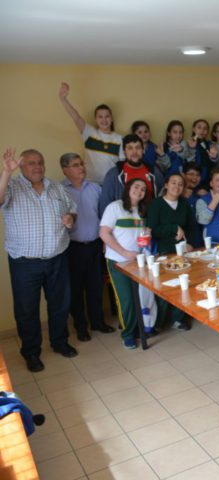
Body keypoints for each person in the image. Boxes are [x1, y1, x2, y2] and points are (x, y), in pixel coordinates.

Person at [1, 148, 78, 372]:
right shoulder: (12, 186)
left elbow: (72, 210)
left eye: (40, 162)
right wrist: (5, 173)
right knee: (27, 310)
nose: (37, 167)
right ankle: (31, 352)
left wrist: (70, 219)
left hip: (58, 257)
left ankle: (60, 342)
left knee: (60, 304)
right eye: (31, 163)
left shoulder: (56, 186)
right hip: (25, 262)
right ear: (21, 166)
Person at [60, 153, 114, 341]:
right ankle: (81, 327)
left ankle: (98, 322)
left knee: (95, 287)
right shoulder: (59, 190)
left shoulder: (95, 188)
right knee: (75, 290)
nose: (81, 167)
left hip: (94, 246)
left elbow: (103, 216)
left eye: (81, 164)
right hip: (72, 248)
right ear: (65, 170)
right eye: (75, 165)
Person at [99, 178, 155, 349]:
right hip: (118, 261)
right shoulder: (114, 207)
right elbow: (104, 233)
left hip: (137, 262)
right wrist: (123, 252)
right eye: (136, 186)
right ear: (128, 188)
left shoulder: (141, 211)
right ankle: (128, 334)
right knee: (126, 300)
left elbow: (138, 237)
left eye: (143, 189)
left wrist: (146, 235)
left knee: (138, 297)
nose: (139, 191)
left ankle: (137, 328)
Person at [147, 173, 193, 332]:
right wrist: (174, 228)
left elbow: (192, 227)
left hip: (182, 251)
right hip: (163, 252)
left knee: (182, 285)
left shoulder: (184, 204)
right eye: (173, 183)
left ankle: (178, 319)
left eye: (181, 184)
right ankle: (158, 322)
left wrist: (191, 244)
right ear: (166, 185)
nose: (177, 187)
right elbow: (152, 230)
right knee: (164, 288)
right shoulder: (156, 204)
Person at [58, 82, 123, 183]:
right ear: (96, 119)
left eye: (107, 116)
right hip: (90, 184)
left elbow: (122, 165)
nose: (104, 120)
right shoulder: (89, 133)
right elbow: (75, 117)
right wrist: (63, 99)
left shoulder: (120, 139)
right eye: (100, 117)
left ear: (112, 118)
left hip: (110, 185)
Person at [98, 134, 164, 215]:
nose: (134, 152)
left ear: (143, 150)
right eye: (130, 148)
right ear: (124, 152)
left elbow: (164, 197)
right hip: (123, 224)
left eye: (138, 147)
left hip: (149, 223)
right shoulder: (113, 174)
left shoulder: (154, 172)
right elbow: (104, 206)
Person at [181, 162, 205, 248]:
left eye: (198, 175)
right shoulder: (175, 194)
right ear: (183, 175)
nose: (195, 178)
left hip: (199, 240)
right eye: (191, 174)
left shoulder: (201, 194)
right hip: (182, 242)